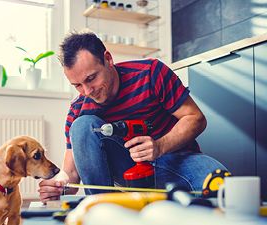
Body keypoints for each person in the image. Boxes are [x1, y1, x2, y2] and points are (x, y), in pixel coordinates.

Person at [38, 31, 227, 203]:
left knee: (222, 185)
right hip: (129, 172)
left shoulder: (150, 73)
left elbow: (195, 117)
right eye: (77, 85)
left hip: (178, 161)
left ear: (108, 59)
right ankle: (104, 209)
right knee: (81, 126)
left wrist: (160, 146)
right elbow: (71, 172)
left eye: (91, 78)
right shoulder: (78, 108)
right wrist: (59, 186)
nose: (87, 91)